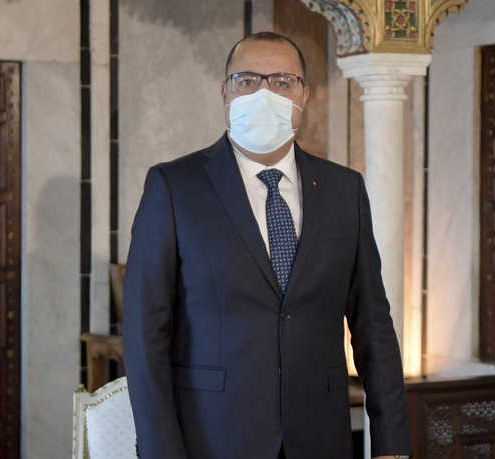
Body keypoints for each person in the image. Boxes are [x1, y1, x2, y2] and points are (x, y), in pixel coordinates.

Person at [122, 31, 412, 459]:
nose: (264, 94)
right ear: (225, 92)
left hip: (320, 438)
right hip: (213, 438)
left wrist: (391, 444)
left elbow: (374, 327)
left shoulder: (344, 190)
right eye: (247, 81)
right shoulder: (174, 186)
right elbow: (144, 334)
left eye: (282, 82)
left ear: (304, 95)